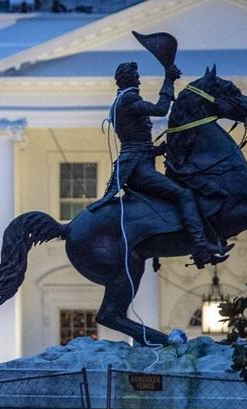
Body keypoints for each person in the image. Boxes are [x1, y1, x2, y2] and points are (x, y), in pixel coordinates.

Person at [87, 61, 228, 267]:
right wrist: (168, 80)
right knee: (184, 195)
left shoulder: (123, 101)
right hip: (139, 170)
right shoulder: (128, 100)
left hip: (139, 161)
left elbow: (135, 142)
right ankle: (200, 245)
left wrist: (156, 150)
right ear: (129, 79)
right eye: (135, 75)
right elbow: (161, 109)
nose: (138, 79)